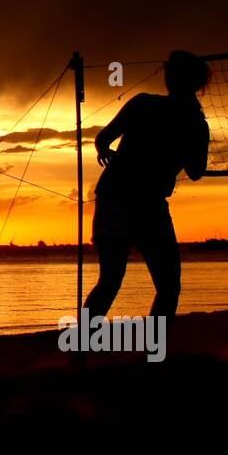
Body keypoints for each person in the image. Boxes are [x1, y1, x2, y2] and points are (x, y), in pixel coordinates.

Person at [84, 50, 211, 322]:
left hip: (116, 198)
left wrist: (108, 151)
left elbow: (103, 138)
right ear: (198, 84)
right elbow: (197, 171)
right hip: (144, 203)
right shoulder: (196, 124)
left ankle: (80, 352)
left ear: (170, 78)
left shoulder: (143, 104)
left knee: (109, 282)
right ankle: (154, 352)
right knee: (168, 286)